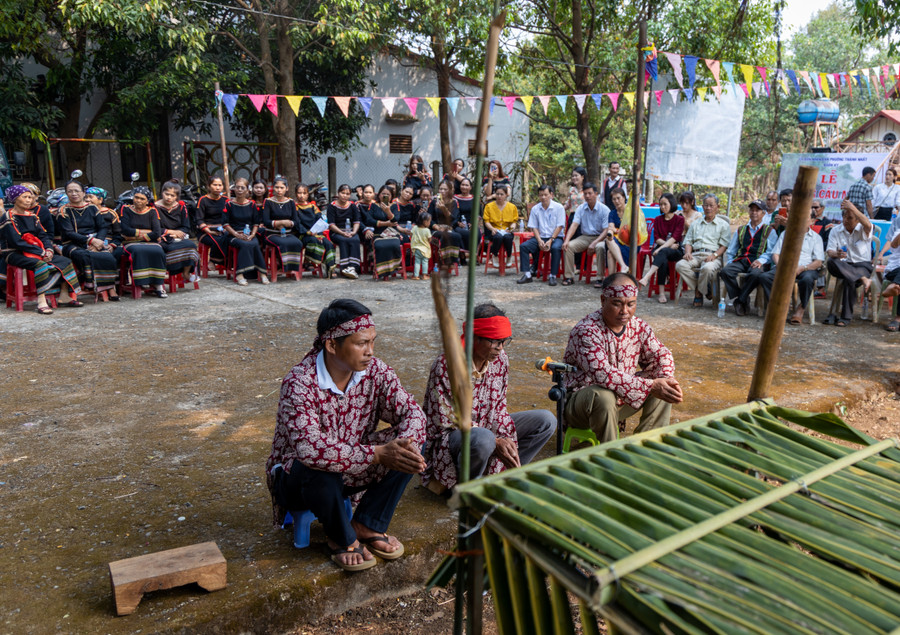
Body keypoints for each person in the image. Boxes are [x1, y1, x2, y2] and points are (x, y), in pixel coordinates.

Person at [265, 299, 427, 571]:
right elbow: (310, 449)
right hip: (298, 480)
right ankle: (340, 538)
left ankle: (367, 523)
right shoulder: (300, 382)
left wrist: (399, 447)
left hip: (352, 468)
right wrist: (376, 454)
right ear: (331, 345)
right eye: (361, 343)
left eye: (373, 342)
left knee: (407, 448)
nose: (370, 351)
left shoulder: (376, 372)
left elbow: (413, 413)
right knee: (316, 465)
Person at [422, 303, 556, 491]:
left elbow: (500, 407)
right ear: (474, 338)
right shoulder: (446, 365)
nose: (500, 348)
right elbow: (446, 420)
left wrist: (503, 436)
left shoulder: (501, 360)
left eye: (504, 341)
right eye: (494, 341)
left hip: (488, 427)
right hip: (452, 438)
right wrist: (495, 440)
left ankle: (505, 476)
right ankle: (466, 487)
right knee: (483, 439)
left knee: (546, 421)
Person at [563, 272, 681, 443]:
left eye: (631, 304)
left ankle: (647, 447)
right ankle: (611, 456)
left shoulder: (639, 326)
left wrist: (665, 378)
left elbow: (662, 355)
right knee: (603, 396)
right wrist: (651, 386)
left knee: (664, 386)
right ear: (603, 300)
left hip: (619, 401)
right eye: (617, 304)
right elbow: (603, 375)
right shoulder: (586, 331)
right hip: (581, 407)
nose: (625, 311)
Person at [0, 185, 82, 313]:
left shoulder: (32, 216)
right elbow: (16, 241)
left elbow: (43, 235)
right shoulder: (8, 217)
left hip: (37, 251)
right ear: (15, 199)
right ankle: (42, 300)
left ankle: (64, 296)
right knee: (40, 265)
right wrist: (41, 252)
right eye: (25, 197)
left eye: (30, 197)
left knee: (65, 261)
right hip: (14, 252)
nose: (29, 200)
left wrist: (49, 250)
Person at [758, 210, 824, 325]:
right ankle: (778, 305)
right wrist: (782, 267)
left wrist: (802, 268)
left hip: (806, 268)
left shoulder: (816, 238)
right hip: (785, 266)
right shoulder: (786, 233)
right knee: (765, 277)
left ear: (812, 221)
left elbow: (818, 262)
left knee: (807, 280)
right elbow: (775, 254)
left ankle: (801, 308)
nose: (801, 219)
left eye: (805, 217)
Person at [56, 180, 118, 298]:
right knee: (85, 255)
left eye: (76, 191)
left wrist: (98, 242)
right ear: (66, 193)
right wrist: (90, 241)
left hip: (95, 242)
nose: (74, 194)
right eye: (70, 191)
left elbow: (103, 227)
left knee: (108, 256)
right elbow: (69, 233)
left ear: (84, 192)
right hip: (72, 244)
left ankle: (109, 287)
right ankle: (91, 284)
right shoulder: (63, 211)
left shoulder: (92, 208)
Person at [719, 200, 777, 316]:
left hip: (758, 261)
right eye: (752, 210)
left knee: (756, 274)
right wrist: (730, 261)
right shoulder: (741, 229)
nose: (754, 213)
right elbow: (731, 249)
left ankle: (740, 300)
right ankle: (742, 297)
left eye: (757, 210)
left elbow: (771, 252)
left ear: (763, 213)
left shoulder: (769, 230)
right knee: (725, 271)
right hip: (741, 260)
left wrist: (761, 261)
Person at [823, 200, 874, 327]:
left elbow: (868, 224)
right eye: (844, 216)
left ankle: (845, 317)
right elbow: (830, 251)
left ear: (858, 219)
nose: (845, 220)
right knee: (831, 261)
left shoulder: (863, 228)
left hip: (862, 265)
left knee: (849, 279)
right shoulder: (836, 230)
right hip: (843, 265)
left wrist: (852, 207)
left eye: (850, 217)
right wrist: (837, 254)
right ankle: (862, 279)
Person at [674, 193, 731, 307]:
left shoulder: (723, 225)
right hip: (695, 254)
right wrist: (688, 252)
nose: (708, 208)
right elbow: (688, 241)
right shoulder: (696, 223)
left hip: (712, 256)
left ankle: (699, 293)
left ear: (717, 207)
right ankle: (706, 290)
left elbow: (724, 245)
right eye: (706, 205)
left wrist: (714, 255)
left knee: (707, 268)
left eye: (711, 205)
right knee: (680, 265)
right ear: (702, 206)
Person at [119, 186, 170, 297]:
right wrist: (147, 233)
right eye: (136, 197)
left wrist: (136, 236)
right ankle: (141, 283)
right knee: (139, 250)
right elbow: (125, 230)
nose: (138, 201)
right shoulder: (126, 209)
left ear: (147, 201)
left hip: (148, 242)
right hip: (130, 244)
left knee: (158, 251)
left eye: (142, 199)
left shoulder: (152, 211)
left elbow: (156, 233)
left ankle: (158, 285)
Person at [638, 193, 685, 302]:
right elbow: (657, 238)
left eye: (665, 204)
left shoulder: (679, 220)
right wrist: (664, 246)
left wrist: (659, 249)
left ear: (671, 204)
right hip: (663, 248)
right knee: (663, 258)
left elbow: (675, 238)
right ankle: (661, 293)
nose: (662, 207)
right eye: (661, 204)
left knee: (662, 252)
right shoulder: (658, 219)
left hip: (675, 250)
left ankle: (647, 277)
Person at [561, 182, 610, 286]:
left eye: (590, 193)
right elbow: (574, 225)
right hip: (585, 237)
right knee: (568, 246)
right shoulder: (580, 208)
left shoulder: (604, 209)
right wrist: (566, 240)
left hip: (600, 237)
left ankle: (600, 278)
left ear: (596, 194)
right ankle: (569, 277)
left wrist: (595, 243)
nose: (587, 196)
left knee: (600, 248)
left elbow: (606, 230)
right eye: (585, 193)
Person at [224, 178, 269, 285]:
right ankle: (240, 274)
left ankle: (262, 273)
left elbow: (256, 223)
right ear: (234, 189)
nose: (239, 190)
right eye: (237, 187)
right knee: (244, 244)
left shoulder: (251, 204)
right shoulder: (229, 204)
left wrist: (253, 234)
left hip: (249, 234)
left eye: (242, 188)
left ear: (247, 190)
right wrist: (236, 234)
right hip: (233, 235)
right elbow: (225, 224)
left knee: (254, 243)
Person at [518, 184, 565, 286]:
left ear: (551, 195)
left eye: (545, 195)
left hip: (556, 237)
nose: (543, 197)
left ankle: (553, 276)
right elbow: (533, 227)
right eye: (541, 195)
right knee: (524, 246)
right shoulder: (535, 209)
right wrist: (539, 241)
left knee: (556, 248)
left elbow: (560, 226)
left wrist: (551, 239)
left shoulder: (559, 207)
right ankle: (527, 275)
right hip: (541, 237)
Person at [154, 181, 200, 284]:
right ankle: (173, 270)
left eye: (172, 195)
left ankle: (186, 272)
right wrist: (169, 232)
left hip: (178, 237)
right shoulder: (155, 207)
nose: (169, 197)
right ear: (162, 193)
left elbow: (186, 226)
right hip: (162, 238)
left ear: (177, 197)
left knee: (191, 245)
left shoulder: (181, 206)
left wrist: (178, 233)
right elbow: (154, 227)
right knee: (170, 247)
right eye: (167, 194)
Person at [262, 176, 304, 277]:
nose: (279, 190)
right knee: (283, 243)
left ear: (287, 188)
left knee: (297, 242)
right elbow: (266, 221)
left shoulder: (290, 202)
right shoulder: (268, 202)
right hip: (271, 233)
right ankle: (283, 267)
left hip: (287, 233)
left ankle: (292, 269)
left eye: (282, 187)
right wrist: (281, 222)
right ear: (273, 188)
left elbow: (296, 221)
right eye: (277, 187)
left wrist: (288, 223)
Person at [360, 184, 402, 280]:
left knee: (394, 245)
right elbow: (368, 220)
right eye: (383, 193)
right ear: (378, 195)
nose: (385, 196)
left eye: (388, 194)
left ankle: (391, 268)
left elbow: (396, 220)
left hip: (392, 232)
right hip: (378, 233)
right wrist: (385, 223)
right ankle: (383, 271)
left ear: (391, 196)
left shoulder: (395, 206)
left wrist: (388, 212)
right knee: (380, 246)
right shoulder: (373, 205)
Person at [294, 183, 336, 278]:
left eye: (304, 193)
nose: (302, 195)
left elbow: (319, 221)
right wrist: (308, 232)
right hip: (302, 235)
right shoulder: (294, 207)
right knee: (314, 241)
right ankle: (308, 262)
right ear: (296, 194)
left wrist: (319, 234)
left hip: (316, 234)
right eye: (299, 193)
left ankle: (330, 268)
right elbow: (297, 224)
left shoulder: (313, 207)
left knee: (328, 243)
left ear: (308, 194)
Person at [602, 187, 646, 278]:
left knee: (610, 250)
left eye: (618, 198)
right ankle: (617, 274)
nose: (616, 201)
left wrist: (617, 230)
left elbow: (632, 229)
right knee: (609, 246)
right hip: (618, 241)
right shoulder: (612, 213)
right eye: (614, 199)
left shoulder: (631, 211)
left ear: (624, 198)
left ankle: (615, 275)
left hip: (632, 242)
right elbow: (611, 227)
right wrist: (612, 231)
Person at [327, 184, 362, 279]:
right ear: (338, 193)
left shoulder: (353, 206)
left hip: (350, 231)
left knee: (355, 239)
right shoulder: (332, 206)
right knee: (344, 240)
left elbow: (356, 221)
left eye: (347, 194)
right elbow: (331, 224)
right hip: (336, 232)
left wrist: (354, 232)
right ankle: (345, 267)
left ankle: (353, 267)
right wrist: (342, 233)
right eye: (342, 193)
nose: (344, 196)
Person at [195, 176, 229, 268]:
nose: (218, 188)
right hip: (205, 232)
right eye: (214, 185)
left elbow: (229, 218)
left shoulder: (226, 200)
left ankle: (215, 260)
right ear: (208, 186)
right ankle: (215, 261)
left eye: (220, 185)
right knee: (218, 239)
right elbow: (199, 219)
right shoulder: (203, 200)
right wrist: (208, 231)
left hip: (223, 230)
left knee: (229, 239)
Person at [427, 180, 463, 266]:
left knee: (456, 236)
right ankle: (444, 260)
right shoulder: (433, 202)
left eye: (445, 189)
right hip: (436, 228)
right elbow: (428, 217)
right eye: (440, 189)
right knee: (445, 235)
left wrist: (444, 209)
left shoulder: (454, 202)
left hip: (449, 227)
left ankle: (453, 259)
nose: (442, 191)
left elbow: (454, 219)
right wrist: (435, 226)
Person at [481, 185, 518, 268]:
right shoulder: (489, 206)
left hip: (506, 230)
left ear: (506, 195)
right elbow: (486, 221)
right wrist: (492, 229)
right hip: (494, 230)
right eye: (497, 194)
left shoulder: (512, 207)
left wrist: (511, 228)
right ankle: (495, 255)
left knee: (508, 237)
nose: (499, 196)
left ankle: (509, 256)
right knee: (498, 237)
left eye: (502, 194)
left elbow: (514, 222)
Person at [881, 225, 900, 332]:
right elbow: (894, 244)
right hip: (894, 269)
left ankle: (894, 285)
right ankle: (898, 318)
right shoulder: (898, 231)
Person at [453, 178, 478, 256]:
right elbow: (452, 214)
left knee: (476, 233)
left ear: (470, 187)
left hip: (471, 224)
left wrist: (473, 223)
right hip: (458, 224)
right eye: (462, 184)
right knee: (462, 233)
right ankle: (463, 255)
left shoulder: (475, 199)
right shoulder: (454, 198)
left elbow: (479, 214)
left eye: (466, 185)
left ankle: (474, 255)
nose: (464, 187)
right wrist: (458, 223)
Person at [410, 211, 432, 280]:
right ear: (425, 222)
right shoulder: (427, 230)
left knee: (417, 262)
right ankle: (424, 275)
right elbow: (429, 239)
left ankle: (416, 276)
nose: (429, 223)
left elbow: (411, 234)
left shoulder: (415, 228)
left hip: (416, 249)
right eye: (429, 221)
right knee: (425, 262)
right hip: (425, 250)